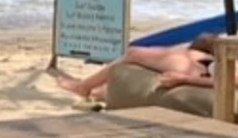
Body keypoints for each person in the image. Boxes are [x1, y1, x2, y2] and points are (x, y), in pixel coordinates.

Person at [56, 36, 218, 102]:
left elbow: (233, 80)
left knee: (133, 54)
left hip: (197, 70)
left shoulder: (191, 57)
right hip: (204, 66)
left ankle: (84, 87)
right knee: (142, 71)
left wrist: (184, 79)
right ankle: (99, 91)